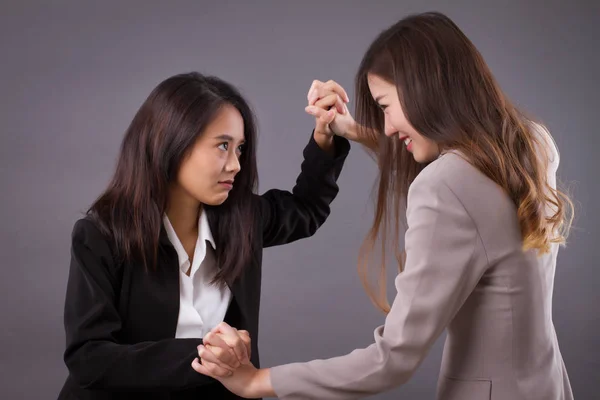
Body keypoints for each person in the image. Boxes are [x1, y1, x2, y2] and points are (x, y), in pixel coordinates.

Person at [192, 12, 575, 400]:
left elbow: (393, 358)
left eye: (385, 105)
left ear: (425, 90)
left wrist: (259, 381)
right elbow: (460, 164)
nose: (388, 127)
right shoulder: (531, 143)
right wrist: (351, 129)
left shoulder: (444, 187)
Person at [57, 72, 351, 399]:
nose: (236, 164)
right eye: (223, 146)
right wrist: (204, 355)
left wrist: (325, 136)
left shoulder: (243, 219)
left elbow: (306, 210)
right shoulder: (101, 236)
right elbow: (89, 357)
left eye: (240, 149)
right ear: (170, 142)